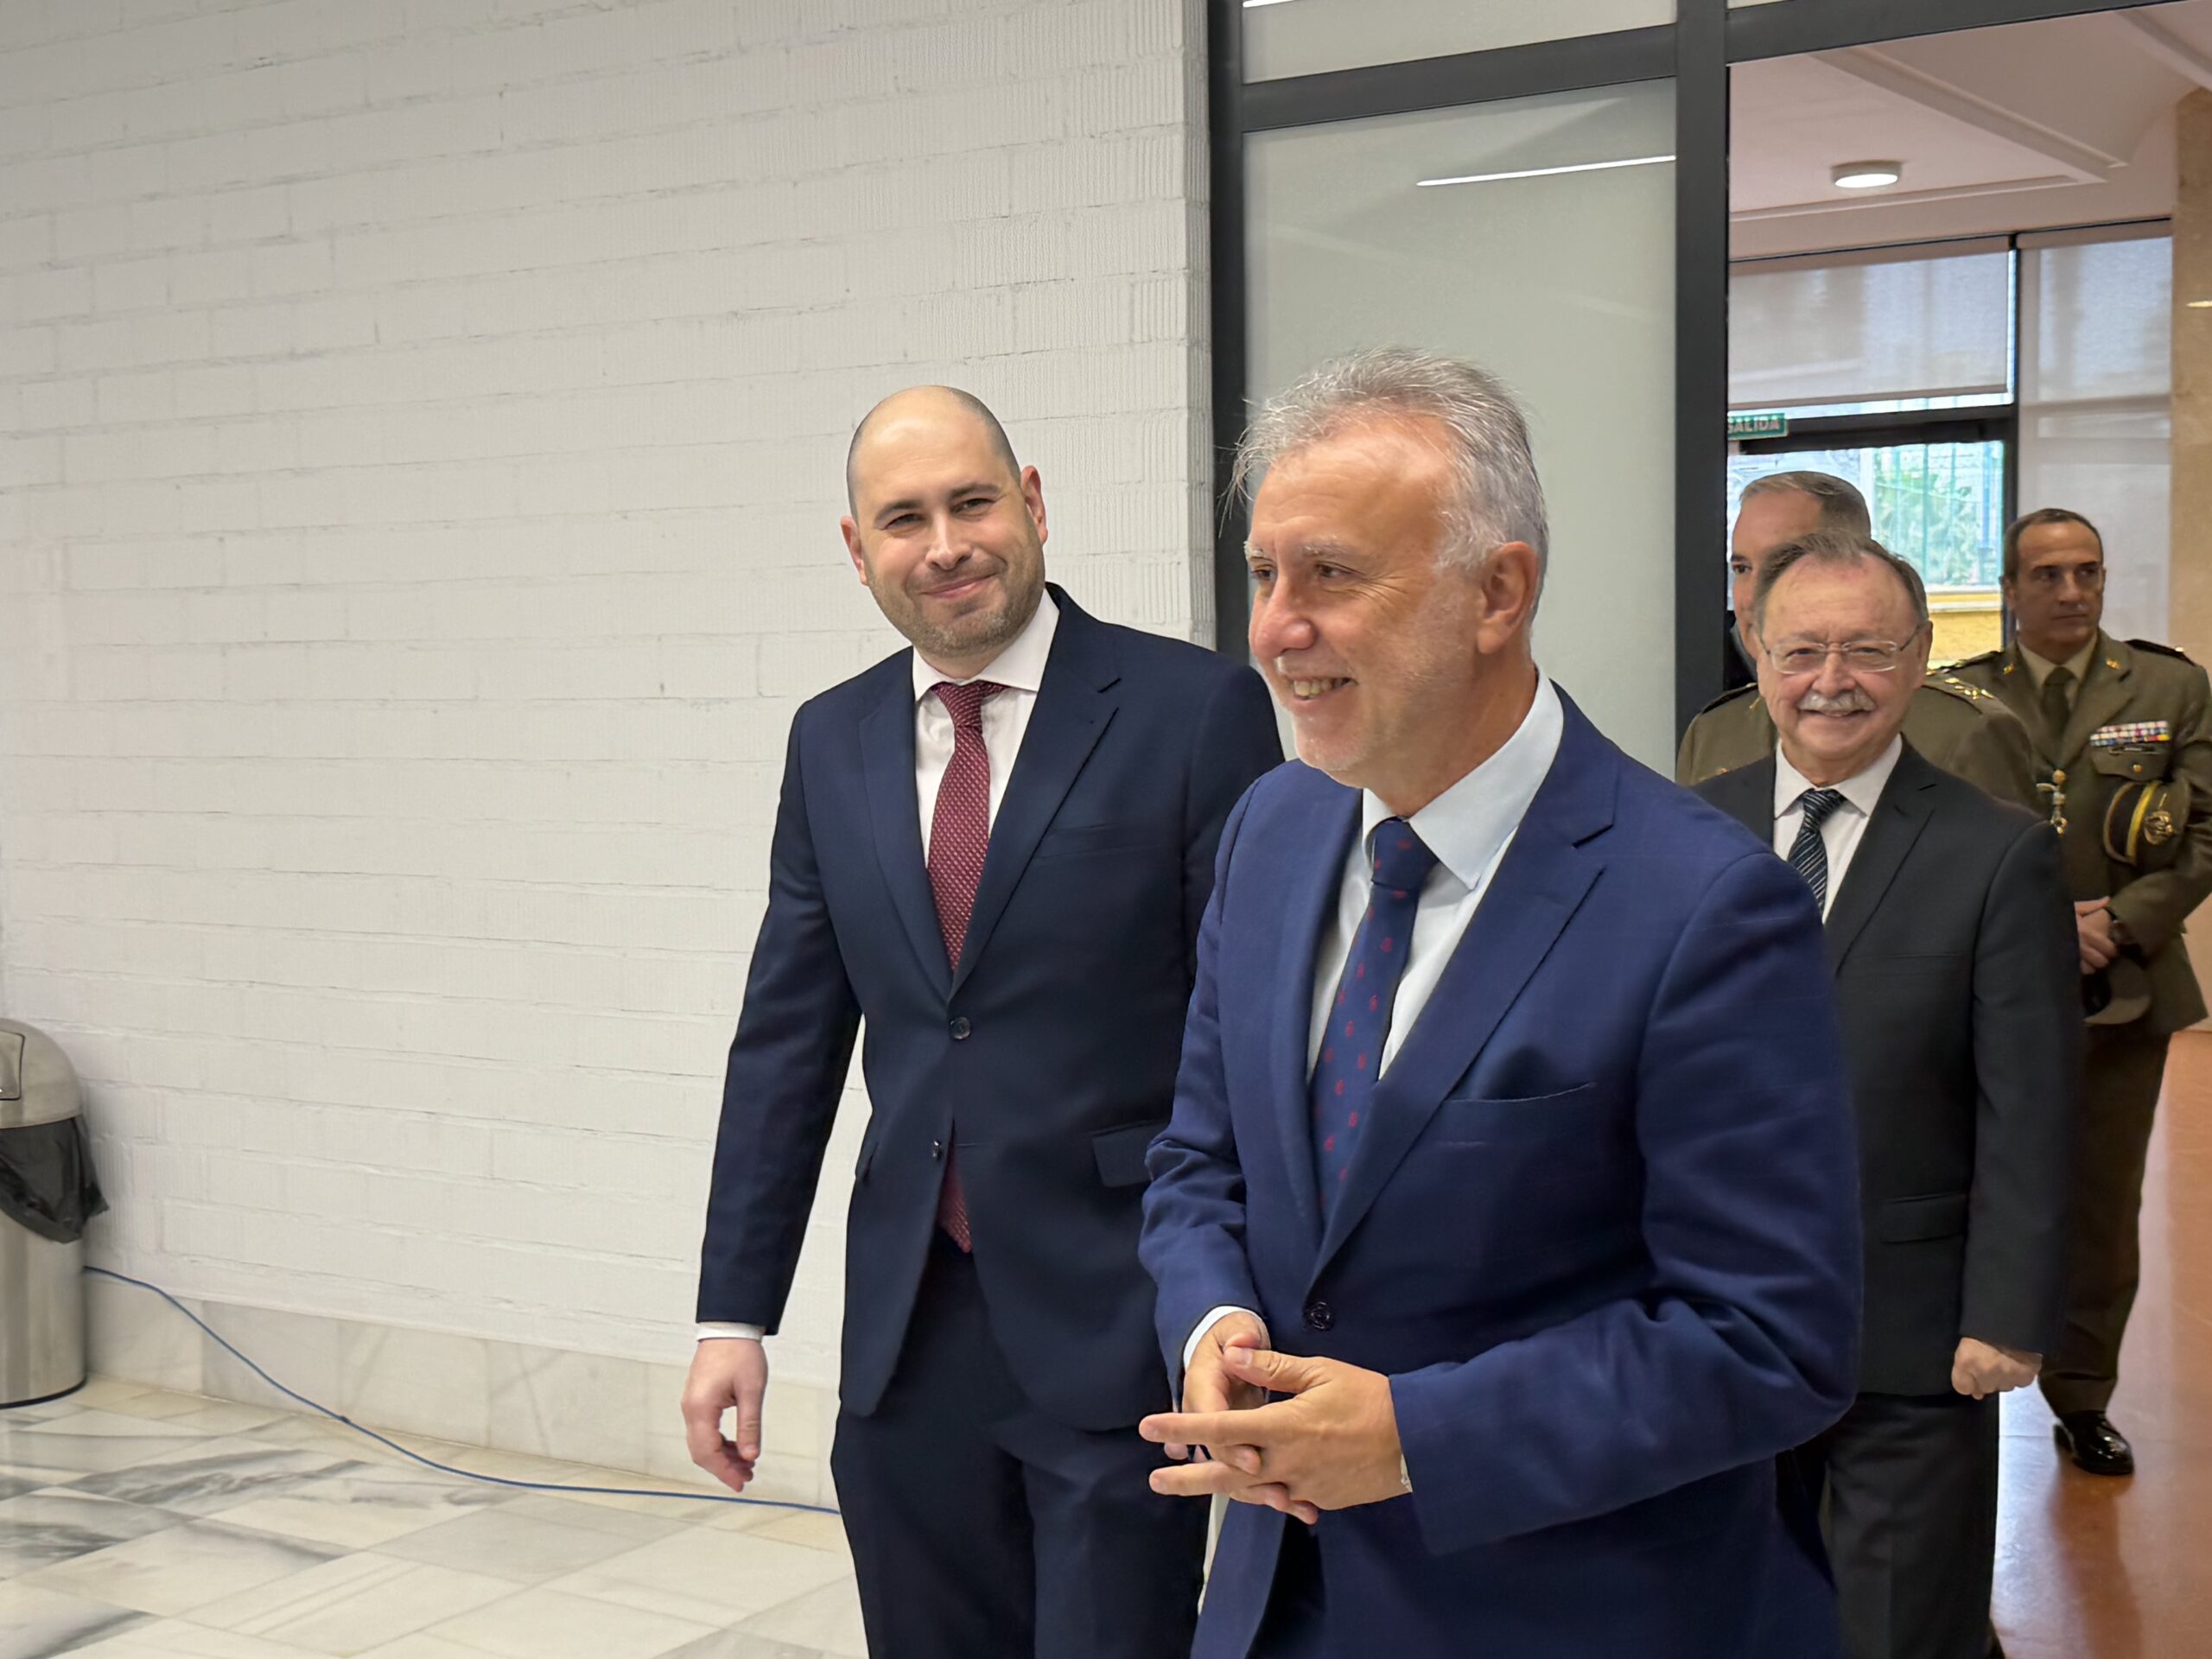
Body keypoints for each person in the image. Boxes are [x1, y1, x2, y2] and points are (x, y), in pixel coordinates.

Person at [1136, 348, 1861, 1659]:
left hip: (1571, 1612)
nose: (1275, 630)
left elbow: (1771, 1338)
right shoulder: (1272, 829)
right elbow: (1201, 1159)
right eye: (1263, 573)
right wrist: (1212, 1322)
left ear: (1497, 592)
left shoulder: (1703, 906)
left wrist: (1416, 1437)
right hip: (1277, 1601)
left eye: (1331, 575)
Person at [682, 385, 1283, 1658]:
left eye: (973, 503)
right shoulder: (830, 740)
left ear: (1034, 504)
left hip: (1118, 1314)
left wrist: (1233, 1300)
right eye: (905, 519)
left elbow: (1255, 1030)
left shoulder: (1193, 711)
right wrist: (734, 1315)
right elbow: (786, 1040)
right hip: (910, 1336)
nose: (946, 545)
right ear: (858, 549)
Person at [1696, 531, 2078, 1659]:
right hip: (1709, 1320)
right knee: (1735, 1610)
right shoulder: (1685, 831)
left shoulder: (1998, 855)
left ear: (1917, 660)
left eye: (1867, 650)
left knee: (1902, 1622)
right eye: (1801, 649)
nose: (1832, 681)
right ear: (1756, 653)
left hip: (1909, 1331)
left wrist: (2006, 1314)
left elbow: (2031, 1107)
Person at [1948, 507, 2212, 1478]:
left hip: (2124, 987)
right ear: (2010, 590)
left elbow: (2205, 829)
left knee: (2101, 1206)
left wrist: (2122, 923)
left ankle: (2083, 1397)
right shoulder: (1962, 698)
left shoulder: (2169, 688)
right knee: (1970, 1189)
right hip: (1987, 987)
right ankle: (1956, 1376)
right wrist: (2047, 924)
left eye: (2087, 572)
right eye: (2048, 575)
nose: (2071, 592)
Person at [1678, 471, 2037, 812]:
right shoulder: (1713, 733)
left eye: (1783, 565)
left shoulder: (1962, 732)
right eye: (1742, 569)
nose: (1752, 597)